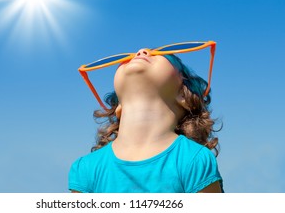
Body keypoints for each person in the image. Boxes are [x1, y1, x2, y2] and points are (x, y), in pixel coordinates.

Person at [69, 42, 223, 193]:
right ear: (118, 107)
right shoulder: (86, 168)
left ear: (183, 94)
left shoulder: (193, 160)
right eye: (127, 59)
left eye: (161, 55)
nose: (141, 51)